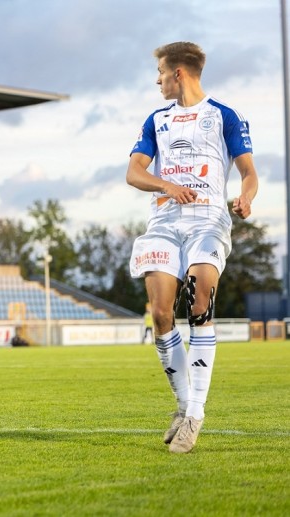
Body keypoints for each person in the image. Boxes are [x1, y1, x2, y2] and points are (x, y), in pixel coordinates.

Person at [126, 42, 258, 454]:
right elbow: (133, 172)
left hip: (207, 221)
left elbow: (249, 172)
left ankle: (195, 414)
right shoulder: (157, 119)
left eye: (161, 73)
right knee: (162, 313)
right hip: (164, 222)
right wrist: (167, 185)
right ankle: (182, 406)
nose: (158, 80)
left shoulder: (225, 116)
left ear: (179, 73)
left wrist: (245, 198)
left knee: (200, 304)